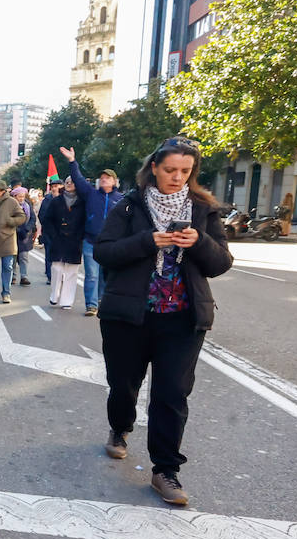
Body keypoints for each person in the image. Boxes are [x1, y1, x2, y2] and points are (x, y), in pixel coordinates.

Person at [94, 137, 233, 506]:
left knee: (172, 393)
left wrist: (198, 241)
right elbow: (104, 252)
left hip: (183, 319)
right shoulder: (128, 206)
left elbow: (221, 262)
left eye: (185, 171)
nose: (177, 177)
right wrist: (148, 241)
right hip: (128, 316)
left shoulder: (204, 209)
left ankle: (165, 470)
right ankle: (120, 428)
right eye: (170, 170)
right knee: (123, 385)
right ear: (154, 167)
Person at [63, 149, 125, 317]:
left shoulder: (121, 199)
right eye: (102, 177)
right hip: (91, 242)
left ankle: (101, 301)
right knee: (92, 275)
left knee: (106, 276)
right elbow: (78, 178)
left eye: (108, 177)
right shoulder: (91, 193)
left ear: (114, 181)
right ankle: (91, 305)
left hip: (111, 244)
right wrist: (72, 161)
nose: (104, 179)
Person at [40, 176, 86, 310]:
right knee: (56, 268)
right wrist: (53, 235)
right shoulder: (56, 201)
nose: (69, 184)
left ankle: (67, 300)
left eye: (72, 182)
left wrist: (79, 235)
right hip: (58, 239)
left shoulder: (82, 201)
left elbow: (85, 220)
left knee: (71, 271)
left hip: (74, 240)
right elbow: (47, 219)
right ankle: (54, 295)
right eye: (67, 182)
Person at [13, 186, 36, 286]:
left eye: (23, 196)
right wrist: (17, 229)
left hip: (25, 235)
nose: (21, 198)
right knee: (13, 257)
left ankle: (24, 276)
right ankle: (13, 276)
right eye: (19, 196)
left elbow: (33, 218)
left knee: (23, 257)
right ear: (14, 196)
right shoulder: (11, 206)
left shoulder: (27, 205)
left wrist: (27, 228)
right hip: (13, 234)